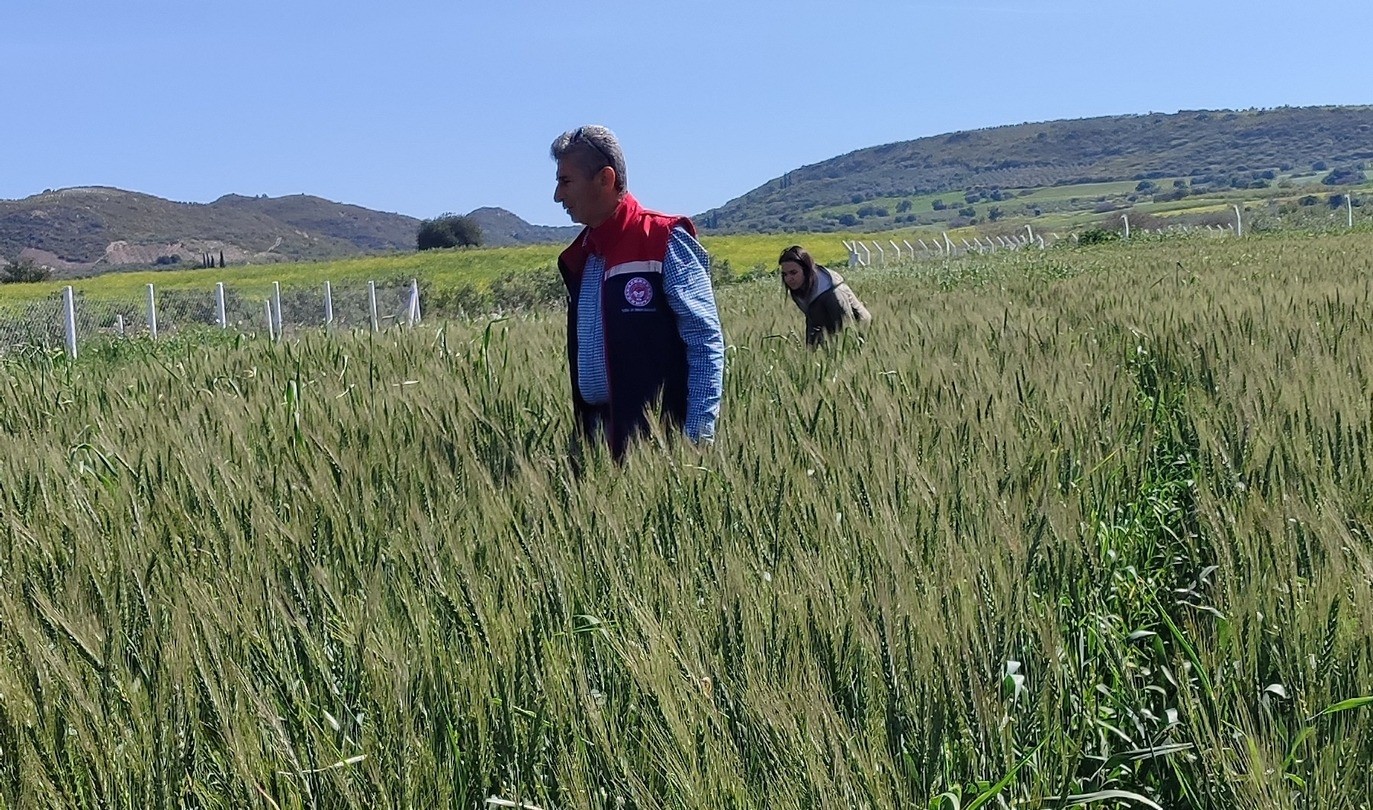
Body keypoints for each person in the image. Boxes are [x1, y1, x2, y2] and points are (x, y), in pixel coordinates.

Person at [550, 125, 724, 461]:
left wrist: (698, 439)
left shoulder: (663, 239)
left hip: (661, 448)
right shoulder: (582, 257)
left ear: (605, 179)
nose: (557, 195)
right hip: (599, 444)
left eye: (565, 181)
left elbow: (705, 340)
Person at [777, 244, 871, 347]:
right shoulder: (799, 289)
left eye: (793, 272)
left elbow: (848, 328)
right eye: (785, 274)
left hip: (860, 333)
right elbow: (812, 320)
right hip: (833, 336)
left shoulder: (833, 293)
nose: (789, 278)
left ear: (806, 271)